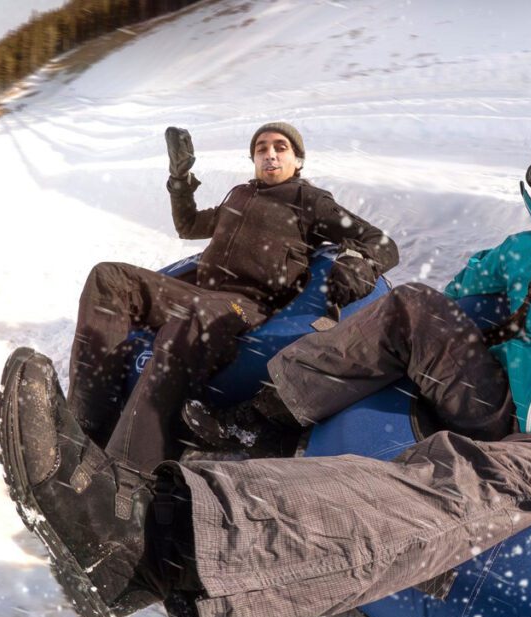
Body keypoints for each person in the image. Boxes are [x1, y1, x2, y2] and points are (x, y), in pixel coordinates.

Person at [0, 15, 531, 617]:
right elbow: (455, 294)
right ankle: (258, 420)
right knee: (412, 306)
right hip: (501, 401)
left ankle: (145, 545)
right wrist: (473, 322)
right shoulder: (518, 254)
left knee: (454, 480)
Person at [64, 121, 398, 476]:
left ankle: (131, 471)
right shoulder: (241, 194)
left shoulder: (308, 200)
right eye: (261, 148)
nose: (269, 154)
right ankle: (83, 423)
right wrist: (180, 181)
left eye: (280, 147)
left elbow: (380, 242)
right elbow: (189, 226)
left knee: (196, 311)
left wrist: (359, 263)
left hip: (246, 304)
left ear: (298, 161)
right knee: (108, 277)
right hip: (200, 292)